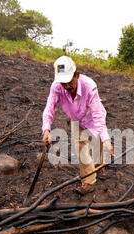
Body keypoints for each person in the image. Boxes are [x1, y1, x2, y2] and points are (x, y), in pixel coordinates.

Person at [42, 56, 113, 195]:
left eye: (69, 81)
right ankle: (88, 181)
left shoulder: (89, 86)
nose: (67, 86)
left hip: (92, 118)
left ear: (77, 75)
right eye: (63, 83)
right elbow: (50, 107)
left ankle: (100, 167)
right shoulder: (57, 87)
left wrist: (106, 141)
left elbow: (98, 114)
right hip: (76, 120)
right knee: (81, 149)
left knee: (97, 143)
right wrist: (46, 129)